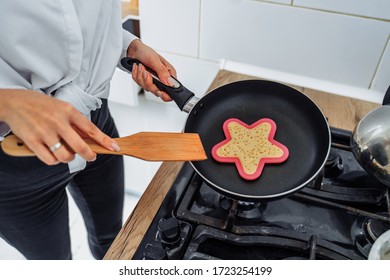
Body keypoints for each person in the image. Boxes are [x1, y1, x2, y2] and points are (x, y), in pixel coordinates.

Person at [0, 0, 176, 260]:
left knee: (112, 240)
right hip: (16, 167)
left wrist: (127, 45)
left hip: (96, 124)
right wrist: (6, 102)